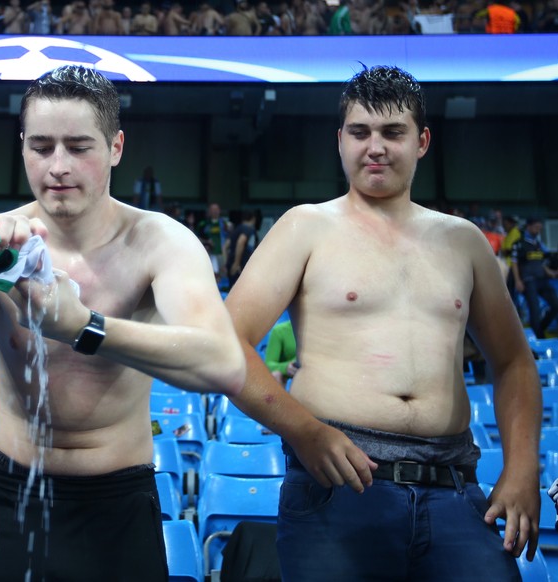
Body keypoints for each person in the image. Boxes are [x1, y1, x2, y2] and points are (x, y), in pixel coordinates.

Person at [0, 65, 245, 581]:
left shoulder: (159, 242)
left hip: (116, 504)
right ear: (23, 146)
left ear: (116, 147)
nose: (58, 166)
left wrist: (84, 326)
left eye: (79, 147)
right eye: (41, 146)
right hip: (6, 492)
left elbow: (223, 365)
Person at [224, 65, 541, 581]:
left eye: (393, 132)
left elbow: (513, 363)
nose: (375, 146)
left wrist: (522, 467)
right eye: (359, 132)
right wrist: (303, 430)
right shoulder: (305, 227)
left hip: (455, 490)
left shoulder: (464, 242)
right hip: (339, 489)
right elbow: (226, 343)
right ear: (340, 140)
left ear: (422, 141)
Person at [511, 217, 558, 339]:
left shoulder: (538, 244)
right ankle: (540, 337)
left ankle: (540, 329)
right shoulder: (519, 244)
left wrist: (550, 273)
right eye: (537, 228)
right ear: (529, 226)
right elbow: (514, 263)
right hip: (528, 280)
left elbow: (541, 262)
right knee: (535, 309)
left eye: (540, 228)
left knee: (556, 305)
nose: (538, 230)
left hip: (542, 279)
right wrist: (518, 281)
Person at [196, 202, 230, 284]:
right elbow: (196, 238)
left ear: (219, 211)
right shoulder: (203, 224)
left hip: (222, 254)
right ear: (209, 211)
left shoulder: (224, 224)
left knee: (223, 274)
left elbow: (229, 238)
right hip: (209, 254)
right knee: (212, 276)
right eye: (213, 209)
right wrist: (206, 241)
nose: (215, 211)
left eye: (216, 209)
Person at [225, 208, 258, 289]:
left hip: (233, 265)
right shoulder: (248, 229)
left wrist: (228, 262)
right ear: (253, 218)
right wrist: (236, 263)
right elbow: (241, 241)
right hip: (241, 267)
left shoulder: (236, 229)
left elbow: (225, 246)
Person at [264, 319, 297, 386]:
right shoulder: (279, 331)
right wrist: (286, 367)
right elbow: (268, 364)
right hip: (291, 379)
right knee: (275, 375)